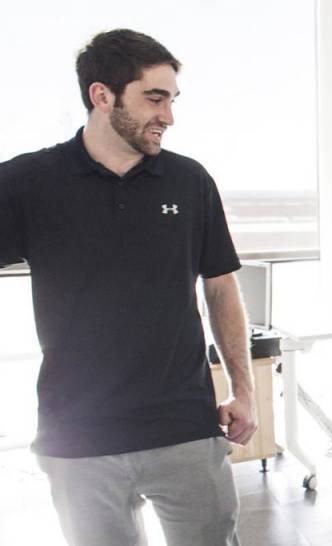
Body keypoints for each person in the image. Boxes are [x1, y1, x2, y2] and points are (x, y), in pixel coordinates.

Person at [0, 29, 254, 545]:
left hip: (184, 426)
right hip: (77, 436)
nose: (169, 115)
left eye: (172, 100)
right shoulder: (26, 182)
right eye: (154, 98)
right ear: (102, 95)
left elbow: (221, 287)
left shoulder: (190, 181)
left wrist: (243, 390)